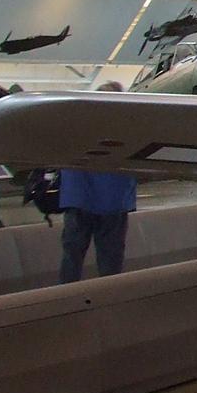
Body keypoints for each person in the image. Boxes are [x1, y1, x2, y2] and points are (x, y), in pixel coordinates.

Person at [57, 81, 137, 282]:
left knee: (72, 257)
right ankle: (109, 300)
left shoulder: (76, 124)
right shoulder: (127, 125)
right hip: (114, 201)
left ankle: (65, 300)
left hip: (78, 199)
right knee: (110, 260)